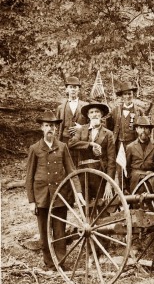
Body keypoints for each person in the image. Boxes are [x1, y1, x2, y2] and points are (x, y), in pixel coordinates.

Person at [25, 110, 84, 271]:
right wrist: (31, 201)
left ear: (56, 128)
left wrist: (78, 192)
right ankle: (49, 264)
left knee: (59, 231)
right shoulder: (35, 149)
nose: (50, 129)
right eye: (47, 126)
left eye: (52, 126)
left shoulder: (63, 147)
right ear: (42, 128)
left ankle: (60, 263)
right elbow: (29, 177)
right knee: (44, 233)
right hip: (42, 196)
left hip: (60, 195)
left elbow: (72, 171)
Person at [68, 102, 116, 200]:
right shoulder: (81, 130)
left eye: (97, 112)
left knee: (102, 206)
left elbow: (112, 161)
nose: (94, 114)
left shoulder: (108, 134)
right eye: (92, 112)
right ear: (88, 115)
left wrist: (109, 184)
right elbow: (71, 144)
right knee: (87, 208)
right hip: (83, 173)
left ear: (101, 114)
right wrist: (90, 144)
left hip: (100, 173)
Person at [126, 116, 154, 196]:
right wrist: (125, 187)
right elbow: (127, 168)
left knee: (152, 206)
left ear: (150, 131)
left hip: (152, 181)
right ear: (137, 130)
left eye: (146, 128)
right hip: (136, 183)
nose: (143, 131)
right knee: (136, 206)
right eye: (141, 128)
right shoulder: (130, 147)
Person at [56, 76, 89, 165]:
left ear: (79, 90)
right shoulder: (60, 107)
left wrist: (82, 127)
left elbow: (92, 124)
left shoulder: (86, 106)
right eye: (71, 87)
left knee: (80, 165)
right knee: (65, 165)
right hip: (64, 140)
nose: (73, 90)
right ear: (67, 89)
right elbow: (57, 127)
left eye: (75, 87)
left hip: (80, 141)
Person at [107, 81, 144, 154]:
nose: (127, 96)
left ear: (133, 94)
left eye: (129, 94)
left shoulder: (139, 111)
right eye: (125, 94)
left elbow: (145, 128)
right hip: (119, 143)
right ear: (122, 96)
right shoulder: (115, 110)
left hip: (134, 143)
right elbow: (109, 126)